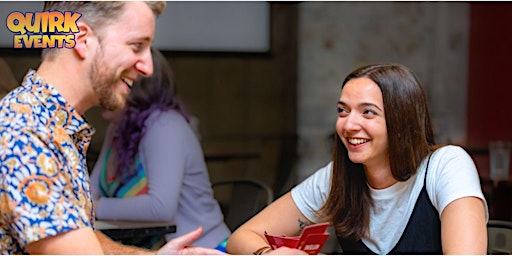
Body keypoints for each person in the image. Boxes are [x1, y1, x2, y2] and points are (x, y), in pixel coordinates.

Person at [0, 2, 223, 254]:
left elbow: (80, 237)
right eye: (136, 46)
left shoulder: (52, 126)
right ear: (82, 40)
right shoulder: (26, 133)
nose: (148, 68)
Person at [226, 63, 488, 255]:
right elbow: (241, 238)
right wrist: (269, 254)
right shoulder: (337, 177)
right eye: (343, 110)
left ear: (400, 122)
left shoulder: (446, 166)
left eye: (368, 112)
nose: (349, 124)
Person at [90, 47, 231, 250]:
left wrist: (95, 207)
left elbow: (159, 207)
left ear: (136, 87)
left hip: (199, 249)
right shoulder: (118, 127)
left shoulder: (164, 126)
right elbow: (90, 191)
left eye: (113, 81)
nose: (100, 91)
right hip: (149, 248)